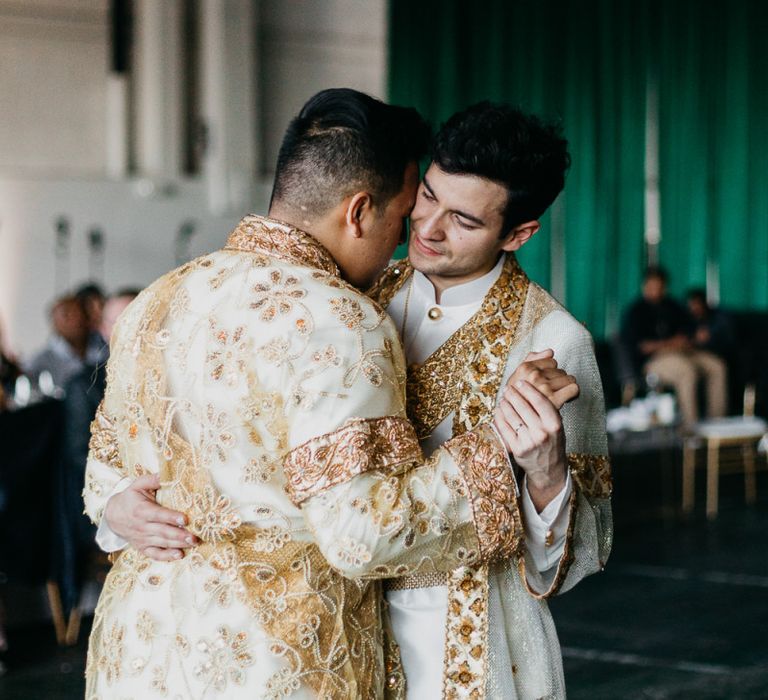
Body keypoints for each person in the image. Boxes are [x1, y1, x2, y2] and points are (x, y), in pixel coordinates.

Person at [82, 89, 534, 698]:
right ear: (359, 212)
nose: (404, 243)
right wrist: (495, 447)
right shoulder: (342, 320)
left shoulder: (156, 299)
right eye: (402, 217)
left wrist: (115, 508)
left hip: (136, 653)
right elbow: (361, 535)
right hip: (273, 659)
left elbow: (107, 471)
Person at [368, 102, 612, 698]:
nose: (427, 228)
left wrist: (548, 474)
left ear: (518, 234)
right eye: (427, 196)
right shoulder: (362, 295)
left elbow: (582, 550)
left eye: (464, 221)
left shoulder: (555, 342)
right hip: (345, 622)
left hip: (472, 639)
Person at [57, 290, 140, 616]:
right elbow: (79, 454)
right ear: (104, 329)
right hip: (101, 500)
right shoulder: (85, 384)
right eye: (119, 320)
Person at [621, 267, 727, 426]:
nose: (656, 290)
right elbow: (642, 347)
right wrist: (671, 343)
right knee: (686, 371)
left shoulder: (673, 307)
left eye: (659, 286)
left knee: (716, 366)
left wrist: (694, 338)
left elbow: (690, 333)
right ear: (645, 286)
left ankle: (717, 425)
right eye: (652, 286)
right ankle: (692, 429)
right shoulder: (636, 312)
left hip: (684, 352)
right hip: (654, 361)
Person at [25, 295, 95, 389]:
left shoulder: (104, 349)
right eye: (66, 315)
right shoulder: (41, 360)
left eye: (79, 313)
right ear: (54, 324)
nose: (76, 319)